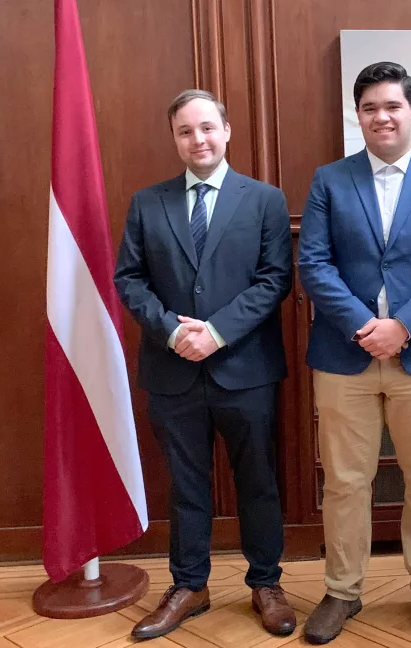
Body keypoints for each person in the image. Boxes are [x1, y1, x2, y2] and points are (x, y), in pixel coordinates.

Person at [297, 61, 411, 644]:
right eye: (370, 108)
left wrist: (404, 326)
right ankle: (342, 590)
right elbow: (313, 264)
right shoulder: (330, 179)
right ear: (359, 116)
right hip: (345, 356)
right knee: (345, 482)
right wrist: (366, 325)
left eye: (392, 106)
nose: (382, 117)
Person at [114, 89, 296, 639]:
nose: (199, 140)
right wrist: (173, 330)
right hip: (172, 371)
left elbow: (275, 280)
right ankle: (189, 585)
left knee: (257, 481)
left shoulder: (264, 199)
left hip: (245, 368)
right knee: (186, 484)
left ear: (227, 130)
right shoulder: (149, 202)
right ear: (175, 139)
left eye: (208, 128)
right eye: (187, 131)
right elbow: (129, 278)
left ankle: (266, 582)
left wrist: (215, 333)